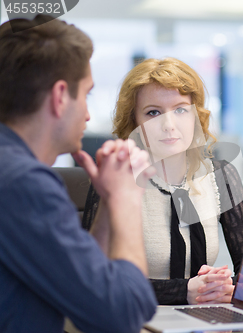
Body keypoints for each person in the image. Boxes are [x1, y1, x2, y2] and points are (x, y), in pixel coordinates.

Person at [0, 15, 158, 332]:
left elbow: (87, 285)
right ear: (60, 97)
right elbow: (124, 314)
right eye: (86, 93)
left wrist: (109, 200)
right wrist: (129, 196)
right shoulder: (24, 183)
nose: (87, 113)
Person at [83, 57, 243, 305]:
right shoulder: (116, 179)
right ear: (135, 121)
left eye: (181, 109)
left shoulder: (220, 175)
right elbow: (93, 281)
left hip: (205, 320)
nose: (169, 125)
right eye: (153, 112)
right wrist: (183, 292)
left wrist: (224, 288)